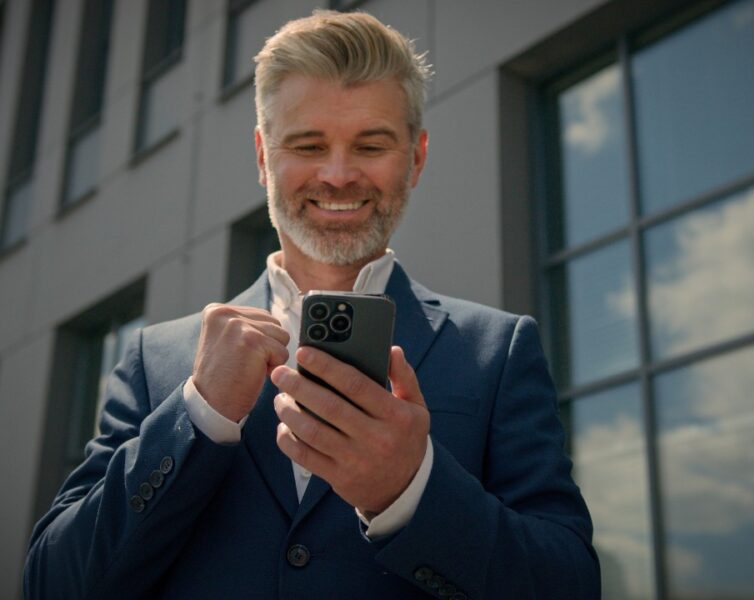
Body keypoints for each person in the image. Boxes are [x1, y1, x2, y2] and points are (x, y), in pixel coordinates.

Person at [24, 10, 599, 599]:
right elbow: (51, 584)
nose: (338, 174)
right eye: (308, 144)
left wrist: (411, 489)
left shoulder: (497, 352)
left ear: (417, 157)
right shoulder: (157, 360)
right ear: (262, 156)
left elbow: (569, 585)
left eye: (371, 144)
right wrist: (198, 415)